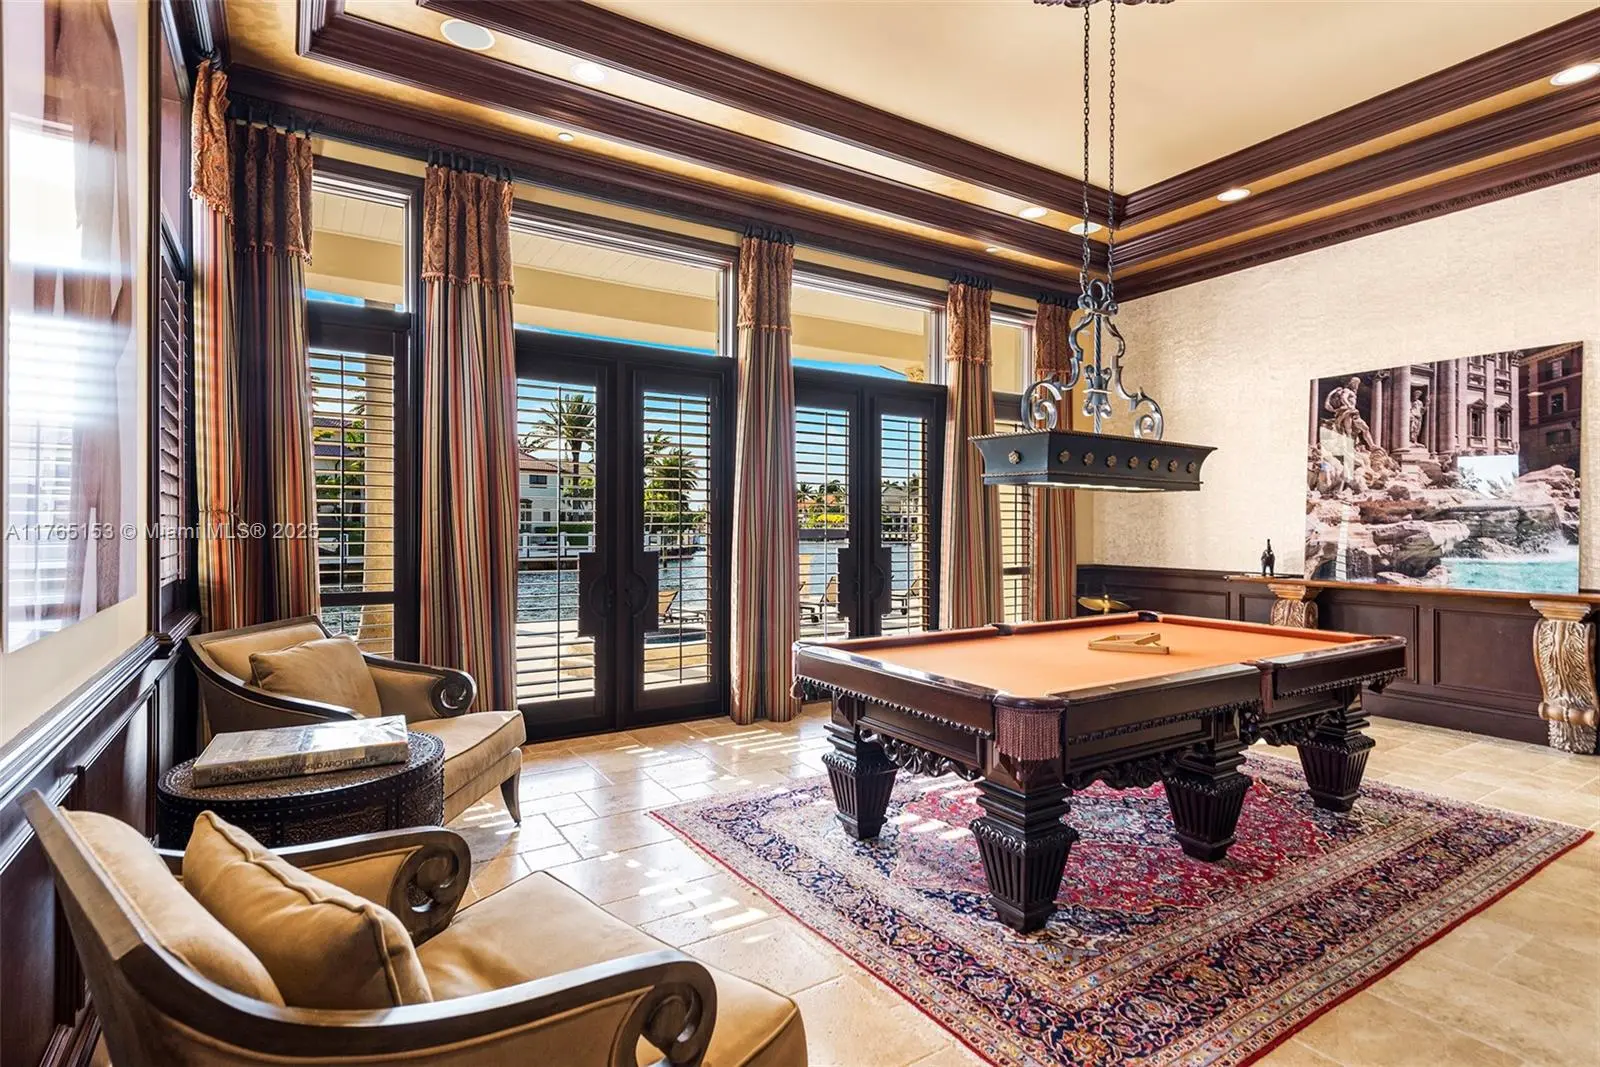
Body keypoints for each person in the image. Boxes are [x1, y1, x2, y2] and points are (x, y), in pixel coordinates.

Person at [1324, 376, 1377, 451]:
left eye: (1357, 384)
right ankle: (1350, 448)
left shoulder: (1351, 392)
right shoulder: (1347, 390)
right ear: (1352, 383)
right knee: (1348, 430)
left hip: (1352, 411)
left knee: (1365, 428)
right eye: (1355, 383)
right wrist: (1349, 406)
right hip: (1347, 411)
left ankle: (1372, 445)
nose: (1356, 386)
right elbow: (1343, 398)